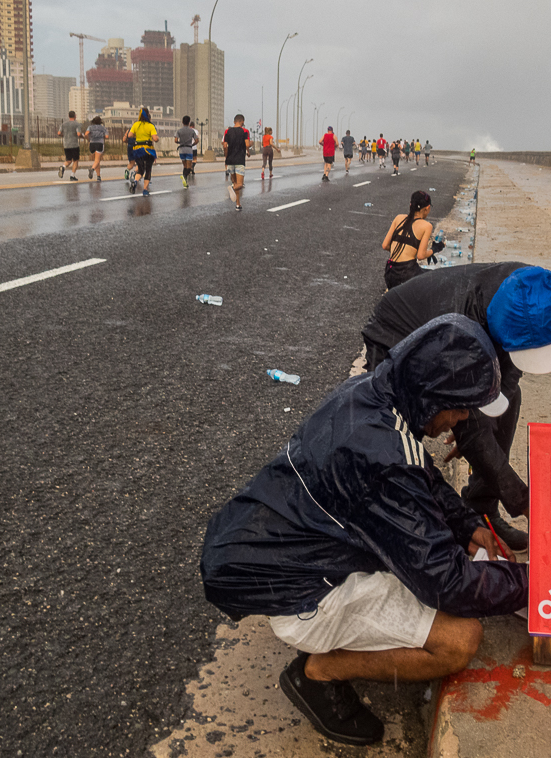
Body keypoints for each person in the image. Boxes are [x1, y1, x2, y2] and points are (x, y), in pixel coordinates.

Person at [201, 314, 526, 747]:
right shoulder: (382, 460)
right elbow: (447, 584)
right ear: (429, 396)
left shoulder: (374, 394)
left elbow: (422, 474)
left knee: (446, 549)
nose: (462, 418)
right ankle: (318, 672)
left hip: (287, 547)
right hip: (304, 592)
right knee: (460, 640)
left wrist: (467, 525)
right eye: (459, 406)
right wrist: (536, 584)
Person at [361, 264, 551, 552]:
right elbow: (472, 429)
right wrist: (525, 501)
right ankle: (395, 525)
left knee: (509, 400)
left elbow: (508, 376)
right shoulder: (461, 326)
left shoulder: (534, 292)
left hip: (463, 324)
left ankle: (482, 509)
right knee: (399, 434)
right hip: (396, 332)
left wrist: (483, 424)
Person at [382, 190, 441, 289]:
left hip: (390, 273)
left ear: (411, 205)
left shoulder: (398, 218)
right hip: (408, 274)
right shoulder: (426, 226)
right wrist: (434, 250)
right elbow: (421, 255)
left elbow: (385, 245)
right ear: (427, 208)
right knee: (437, 278)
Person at [122, 107, 158, 196]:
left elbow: (130, 135)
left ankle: (135, 181)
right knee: (148, 170)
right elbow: (155, 138)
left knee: (140, 170)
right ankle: (145, 190)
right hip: (148, 150)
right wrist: (157, 138)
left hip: (137, 150)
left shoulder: (136, 124)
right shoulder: (151, 126)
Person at [223, 113, 252, 211]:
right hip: (239, 160)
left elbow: (225, 146)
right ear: (242, 122)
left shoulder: (227, 131)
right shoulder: (245, 131)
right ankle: (231, 187)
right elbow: (247, 144)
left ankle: (238, 204)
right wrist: (248, 150)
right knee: (240, 184)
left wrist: (226, 159)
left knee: (235, 182)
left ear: (234, 121)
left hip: (230, 160)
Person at [57, 110, 84, 181]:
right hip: (74, 145)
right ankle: (72, 175)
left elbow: (59, 133)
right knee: (75, 160)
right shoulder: (77, 124)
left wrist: (64, 135)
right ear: (75, 116)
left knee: (68, 160)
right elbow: (78, 134)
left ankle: (63, 167)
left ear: (69, 116)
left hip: (66, 144)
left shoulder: (63, 124)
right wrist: (82, 136)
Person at [176, 114, 198, 188]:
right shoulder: (191, 131)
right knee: (189, 167)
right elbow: (197, 140)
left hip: (182, 150)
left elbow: (175, 140)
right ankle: (184, 177)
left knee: (185, 166)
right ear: (189, 123)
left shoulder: (179, 131)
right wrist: (192, 144)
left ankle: (185, 182)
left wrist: (180, 143)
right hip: (189, 149)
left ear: (182, 122)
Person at [85, 116, 107, 181]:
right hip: (99, 144)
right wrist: (102, 137)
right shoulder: (103, 128)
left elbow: (86, 134)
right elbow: (107, 136)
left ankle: (98, 176)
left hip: (92, 144)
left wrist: (88, 139)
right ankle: (92, 169)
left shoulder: (90, 127)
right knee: (97, 160)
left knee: (96, 161)